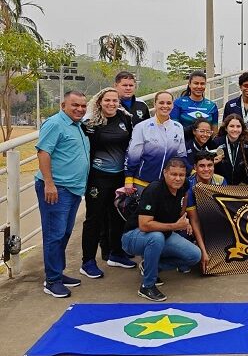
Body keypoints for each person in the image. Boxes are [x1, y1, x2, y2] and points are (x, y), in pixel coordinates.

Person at [35, 91, 90, 298]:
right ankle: (52, 280)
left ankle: (57, 272)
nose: (80, 109)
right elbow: (43, 153)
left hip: (73, 188)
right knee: (54, 234)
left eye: (83, 106)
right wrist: (49, 183)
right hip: (57, 188)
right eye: (75, 105)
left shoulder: (77, 125)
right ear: (63, 105)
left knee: (65, 232)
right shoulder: (55, 123)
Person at [121, 158, 201, 302]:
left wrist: (183, 219)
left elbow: (185, 196)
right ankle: (147, 286)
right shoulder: (154, 189)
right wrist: (175, 226)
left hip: (164, 233)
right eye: (173, 174)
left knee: (194, 256)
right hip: (133, 236)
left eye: (181, 175)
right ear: (165, 173)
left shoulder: (184, 185)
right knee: (156, 237)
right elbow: (144, 225)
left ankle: (150, 265)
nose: (178, 179)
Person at [80, 88, 135, 280]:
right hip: (98, 177)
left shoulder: (125, 119)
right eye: (107, 101)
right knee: (94, 219)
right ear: (99, 102)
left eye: (115, 100)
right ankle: (88, 261)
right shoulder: (90, 123)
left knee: (117, 216)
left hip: (119, 176)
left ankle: (116, 254)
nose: (111, 104)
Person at [125, 91, 187, 193]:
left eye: (168, 103)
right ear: (155, 104)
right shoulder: (142, 127)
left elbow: (181, 156)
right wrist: (128, 179)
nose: (165, 106)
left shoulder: (178, 127)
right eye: (161, 103)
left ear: (172, 105)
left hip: (166, 184)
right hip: (142, 182)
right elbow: (132, 155)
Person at [184, 150, 227, 274]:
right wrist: (203, 252)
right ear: (195, 168)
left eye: (210, 165)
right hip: (192, 223)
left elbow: (223, 213)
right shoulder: (189, 185)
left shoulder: (221, 181)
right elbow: (195, 220)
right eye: (202, 166)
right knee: (185, 233)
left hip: (213, 220)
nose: (206, 169)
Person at [211, 114, 248, 185]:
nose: (235, 129)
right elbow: (209, 165)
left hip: (241, 187)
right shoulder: (216, 143)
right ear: (226, 128)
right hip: (220, 185)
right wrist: (213, 162)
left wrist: (245, 182)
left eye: (238, 126)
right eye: (231, 126)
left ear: (242, 128)